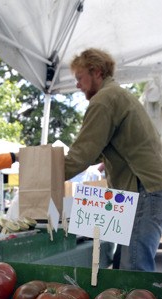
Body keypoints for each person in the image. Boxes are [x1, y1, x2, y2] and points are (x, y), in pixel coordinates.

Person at [65, 48, 162, 272]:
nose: (78, 85)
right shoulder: (117, 95)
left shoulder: (104, 100)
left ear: (96, 72)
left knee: (134, 270)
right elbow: (97, 150)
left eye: (80, 78)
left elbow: (83, 153)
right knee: (124, 265)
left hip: (144, 189)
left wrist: (44, 174)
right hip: (146, 188)